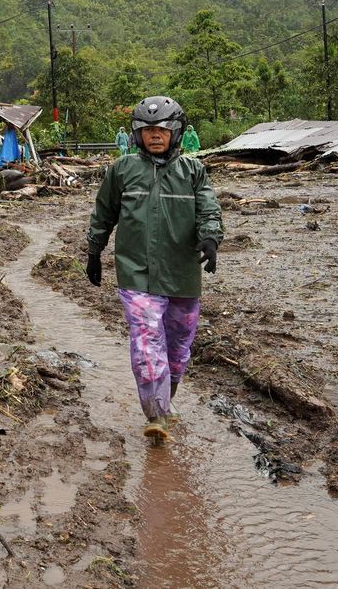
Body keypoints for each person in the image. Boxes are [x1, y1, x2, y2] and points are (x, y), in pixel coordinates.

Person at [85, 96, 223, 442]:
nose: (155, 135)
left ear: (175, 132)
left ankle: (166, 400)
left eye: (162, 129)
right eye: (148, 130)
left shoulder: (193, 171)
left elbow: (209, 209)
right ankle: (156, 414)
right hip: (136, 271)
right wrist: (94, 250)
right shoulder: (122, 170)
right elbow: (104, 213)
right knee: (147, 341)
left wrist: (210, 238)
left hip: (182, 273)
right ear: (137, 134)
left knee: (177, 349)